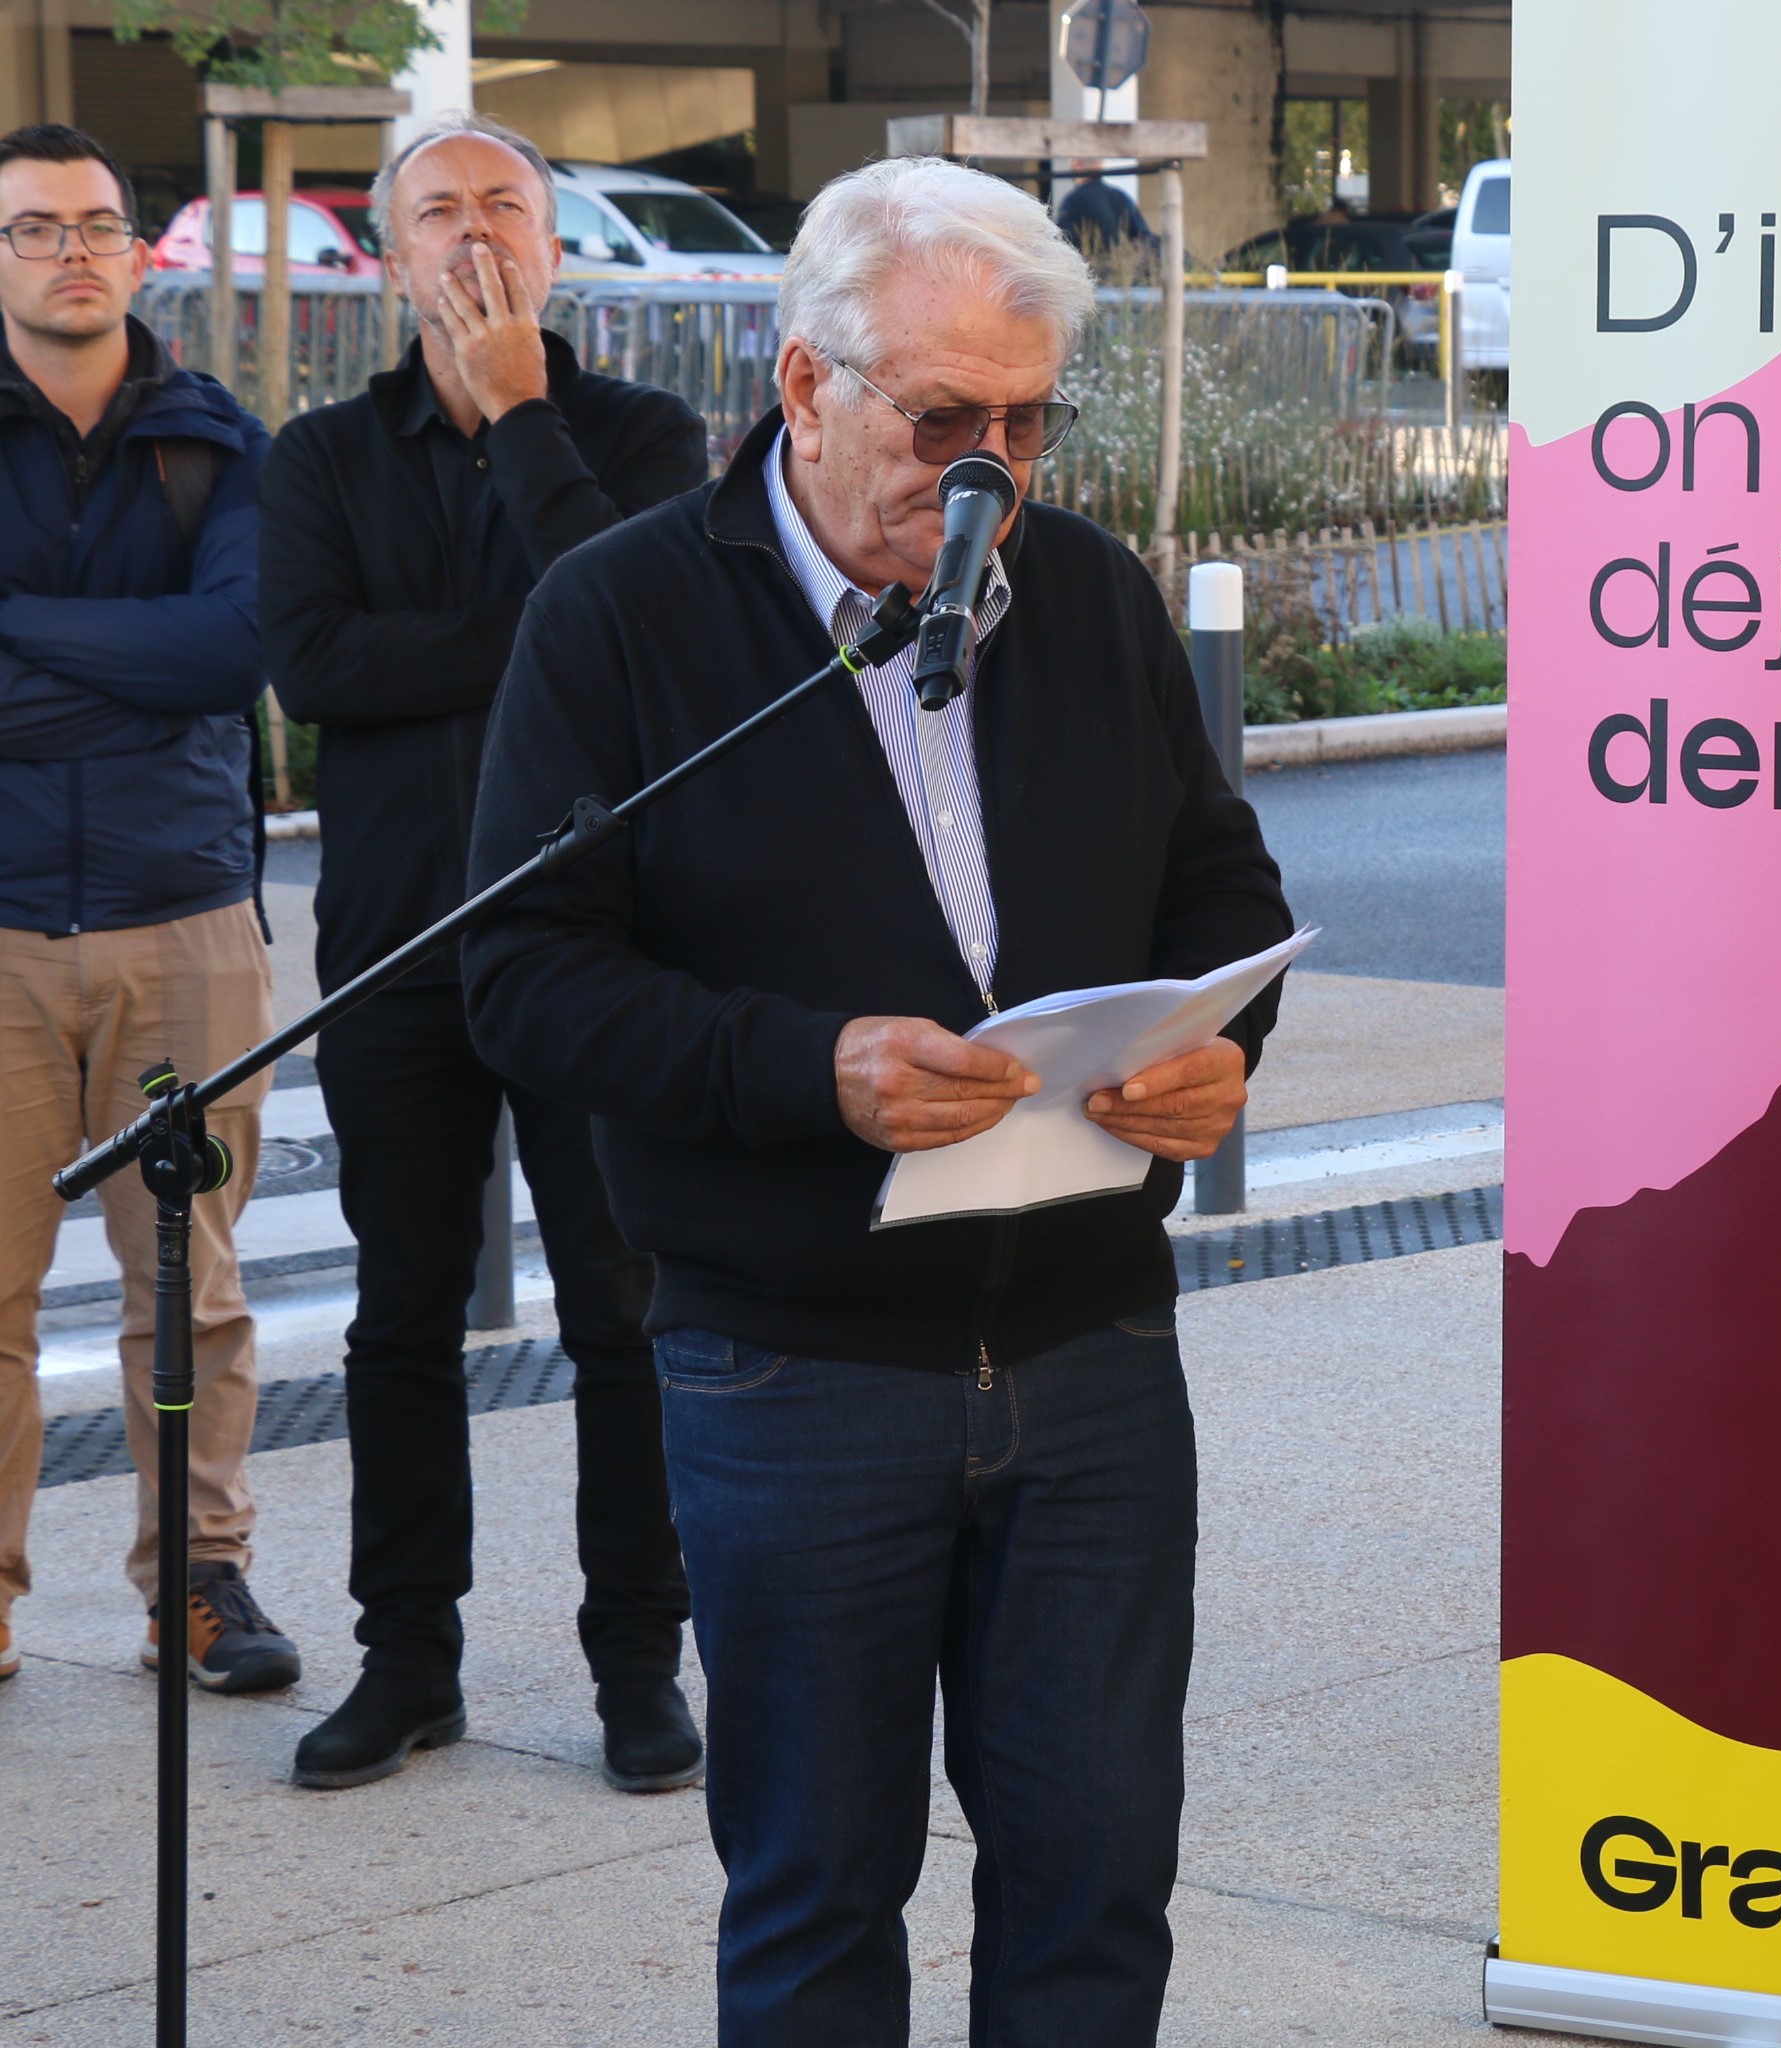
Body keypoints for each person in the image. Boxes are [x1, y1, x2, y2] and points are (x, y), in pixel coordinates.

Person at [459, 154, 1292, 2044]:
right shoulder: (626, 618)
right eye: (940, 419)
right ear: (804, 384)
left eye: (1025, 423)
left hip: (1089, 1352)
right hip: (792, 1369)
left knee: (1095, 1892)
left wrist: (1222, 1047)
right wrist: (803, 1067)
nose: (985, 467)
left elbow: (1222, 884)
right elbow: (522, 974)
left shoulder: (1082, 591)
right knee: (820, 1897)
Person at [261, 111, 708, 1792]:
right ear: (385, 257)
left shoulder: (646, 433)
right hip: (398, 947)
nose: (472, 234)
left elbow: (645, 623)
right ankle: (410, 1657)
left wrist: (524, 416)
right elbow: (312, 667)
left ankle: (637, 1667)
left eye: (504, 204)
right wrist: (527, 639)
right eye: (435, 210)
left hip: (604, 948)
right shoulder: (318, 457)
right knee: (399, 1319)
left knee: (624, 1310)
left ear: (559, 239)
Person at [0, 122, 295, 1695]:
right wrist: (131, 659)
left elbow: (232, 654)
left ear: (138, 249)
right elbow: (169, 659)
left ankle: (203, 1581)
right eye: (35, 227)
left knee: (194, 1284)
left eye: (98, 224)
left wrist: (15, 638)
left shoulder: (218, 439)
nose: (71, 251)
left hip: (185, 920)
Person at [1052, 170, 1153, 262]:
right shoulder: (1120, 197)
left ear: (1076, 164)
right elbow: (1144, 238)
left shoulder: (1073, 201)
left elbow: (1062, 242)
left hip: (1088, 272)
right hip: (1121, 274)